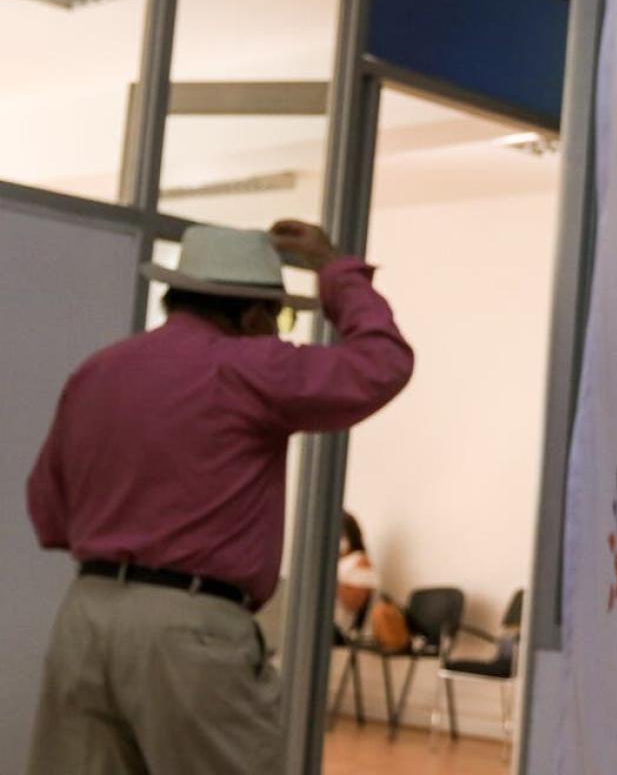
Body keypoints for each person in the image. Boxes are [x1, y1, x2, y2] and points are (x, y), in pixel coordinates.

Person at [25, 221, 414, 774]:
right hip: (190, 627)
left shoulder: (98, 370)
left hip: (87, 615)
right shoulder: (248, 366)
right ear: (253, 314)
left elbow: (48, 508)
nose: (278, 334)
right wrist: (334, 268)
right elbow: (382, 363)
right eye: (280, 319)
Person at [334, 510, 377, 642]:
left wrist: (331, 579)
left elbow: (355, 603)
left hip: (340, 629)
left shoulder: (360, 561)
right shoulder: (338, 562)